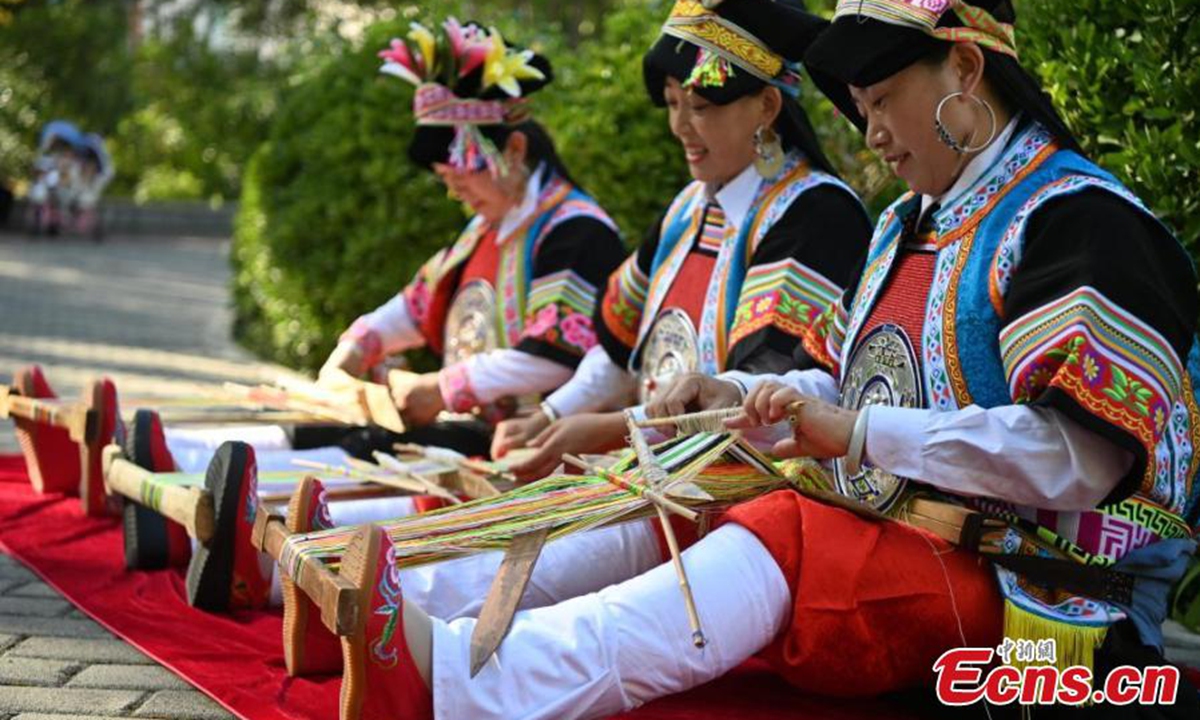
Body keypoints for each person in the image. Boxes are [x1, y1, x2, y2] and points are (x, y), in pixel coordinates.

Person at [330, 2, 1200, 718]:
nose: (873, 132)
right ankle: (422, 611)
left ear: (966, 69)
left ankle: (460, 682)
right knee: (681, 498)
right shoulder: (907, 223)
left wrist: (857, 434)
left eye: (884, 97)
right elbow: (836, 379)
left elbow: (1082, 458)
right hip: (908, 535)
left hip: (1042, 597)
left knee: (780, 533)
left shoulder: (1078, 220)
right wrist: (746, 391)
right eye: (860, 106)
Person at [489, 0, 871, 481]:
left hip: (747, 493)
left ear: (767, 107)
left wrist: (617, 429)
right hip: (657, 474)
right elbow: (619, 346)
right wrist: (549, 417)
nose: (679, 126)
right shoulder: (687, 208)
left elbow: (759, 387)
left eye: (701, 106)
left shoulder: (815, 214)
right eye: (672, 103)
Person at [320, 18, 626, 460]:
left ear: (515, 150)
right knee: (325, 436)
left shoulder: (576, 229)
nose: (453, 190)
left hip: (537, 449)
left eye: (462, 171)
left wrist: (443, 388)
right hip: (473, 436)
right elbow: (415, 305)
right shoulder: (485, 228)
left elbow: (553, 353)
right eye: (445, 177)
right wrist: (357, 347)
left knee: (356, 454)